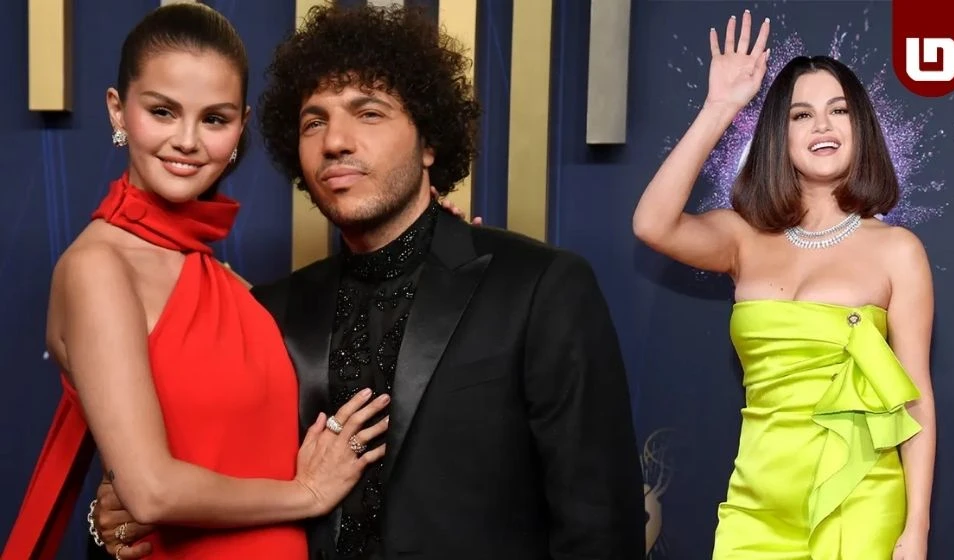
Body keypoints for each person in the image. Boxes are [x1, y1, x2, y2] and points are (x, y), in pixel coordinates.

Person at [92, 3, 647, 559]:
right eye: (314, 122)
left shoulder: (538, 288)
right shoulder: (267, 311)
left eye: (369, 113)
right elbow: (179, 489)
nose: (336, 141)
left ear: (429, 142)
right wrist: (115, 523)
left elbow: (601, 529)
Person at [1, 4, 394, 560]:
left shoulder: (225, 282)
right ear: (117, 110)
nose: (187, 140)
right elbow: (151, 491)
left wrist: (428, 243)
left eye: (214, 119)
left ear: (240, 127)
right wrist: (305, 493)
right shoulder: (98, 267)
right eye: (162, 111)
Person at [632, 10, 935, 560]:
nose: (822, 126)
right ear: (779, 133)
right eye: (801, 115)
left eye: (839, 110)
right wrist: (720, 106)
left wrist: (915, 531)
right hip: (757, 504)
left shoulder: (898, 250)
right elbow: (652, 224)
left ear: (860, 127)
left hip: (859, 499)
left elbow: (914, 401)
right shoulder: (742, 237)